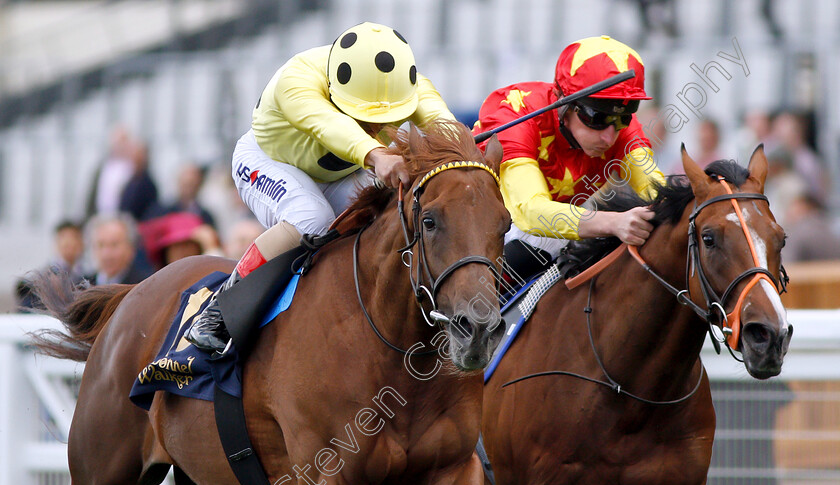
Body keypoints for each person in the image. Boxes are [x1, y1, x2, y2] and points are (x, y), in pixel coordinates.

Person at [185, 22, 456, 352]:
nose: (379, 125)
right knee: (311, 216)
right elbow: (330, 126)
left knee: (387, 212)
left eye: (389, 114)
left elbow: (449, 130)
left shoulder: (406, 85)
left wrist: (468, 153)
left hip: (335, 175)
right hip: (267, 162)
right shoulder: (296, 79)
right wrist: (375, 154)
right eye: (367, 115)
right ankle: (218, 313)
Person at [472, 35, 665, 278]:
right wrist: (614, 222)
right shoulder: (514, 113)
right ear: (564, 103)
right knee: (544, 242)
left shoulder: (618, 128)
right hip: (476, 224)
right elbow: (532, 212)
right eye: (597, 118)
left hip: (540, 231)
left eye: (623, 118)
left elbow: (658, 193)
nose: (609, 137)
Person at [84, 213, 154, 286]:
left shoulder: (143, 286)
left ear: (130, 248)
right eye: (101, 245)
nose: (107, 253)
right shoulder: (82, 287)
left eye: (114, 244)